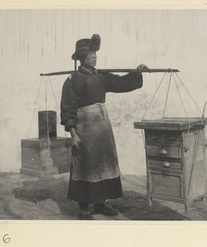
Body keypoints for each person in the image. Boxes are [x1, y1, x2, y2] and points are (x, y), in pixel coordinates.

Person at [60, 34, 148, 220]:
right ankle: (84, 206)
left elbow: (121, 83)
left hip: (101, 127)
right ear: (81, 57)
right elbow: (67, 109)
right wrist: (73, 134)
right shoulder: (73, 80)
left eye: (95, 53)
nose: (94, 56)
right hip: (84, 127)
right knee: (85, 165)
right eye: (90, 53)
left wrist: (137, 71)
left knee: (102, 163)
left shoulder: (101, 76)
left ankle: (100, 203)